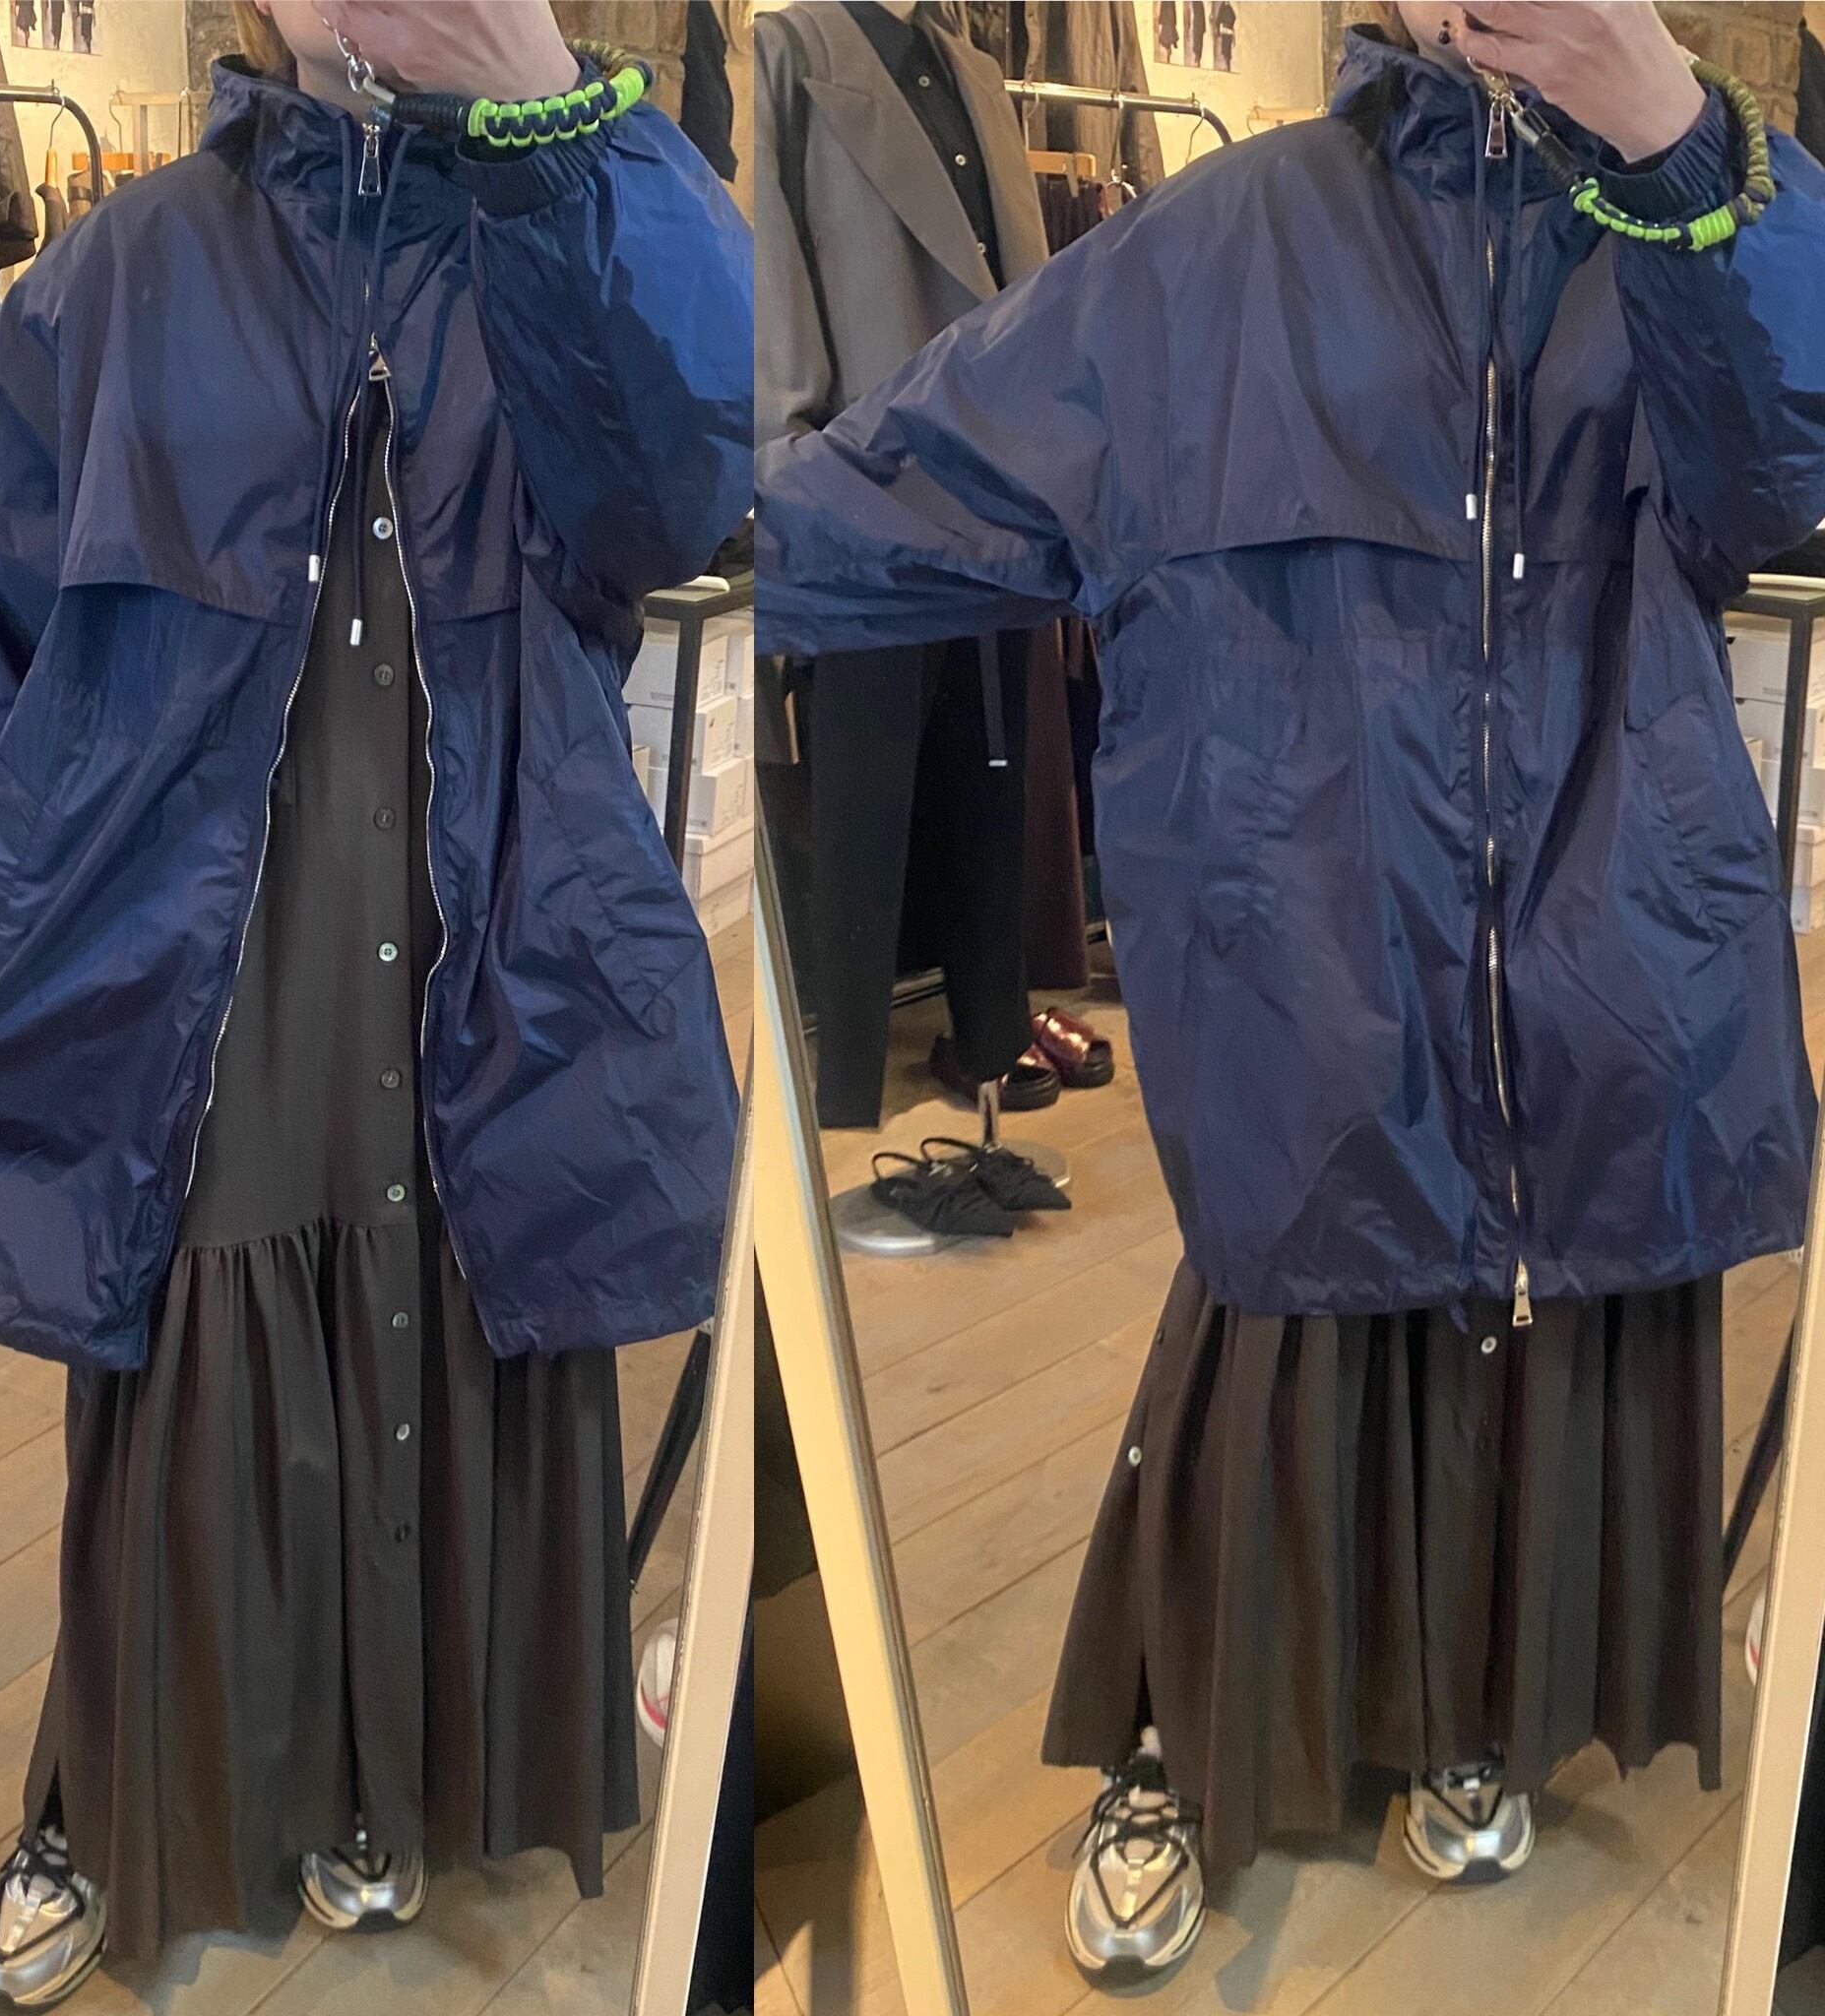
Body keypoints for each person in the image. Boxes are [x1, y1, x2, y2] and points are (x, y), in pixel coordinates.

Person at [756, 0, 1825, 1989]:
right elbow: (881, 493)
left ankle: (1476, 1708)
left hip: (1610, 932)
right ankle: (1181, 1731)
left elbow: (1785, 476)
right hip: (1310, 942)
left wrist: (1675, 141)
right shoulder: (1218, 244)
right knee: (1287, 1336)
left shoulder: (1700, 215)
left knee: (1564, 1310)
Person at [0, 0, 751, 2005]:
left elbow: (689, 488)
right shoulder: (113, 272)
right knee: (192, 1354)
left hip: (495, 903)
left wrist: (544, 115)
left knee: (463, 1291)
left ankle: (388, 1780)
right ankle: (116, 1794)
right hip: (194, 942)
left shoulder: (572, 217)